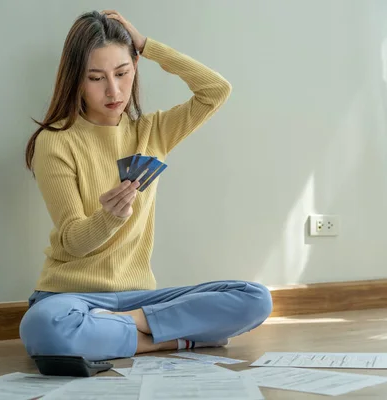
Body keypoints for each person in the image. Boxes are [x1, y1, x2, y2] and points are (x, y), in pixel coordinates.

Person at [19, 10, 272, 361]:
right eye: (96, 78)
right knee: (43, 327)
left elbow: (216, 91)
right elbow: (73, 243)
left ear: (135, 66)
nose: (114, 90)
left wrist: (148, 46)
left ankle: (123, 325)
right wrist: (109, 218)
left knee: (255, 298)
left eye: (122, 73)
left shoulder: (152, 132)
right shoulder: (56, 141)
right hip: (72, 297)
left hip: (140, 297)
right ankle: (170, 340)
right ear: (76, 80)